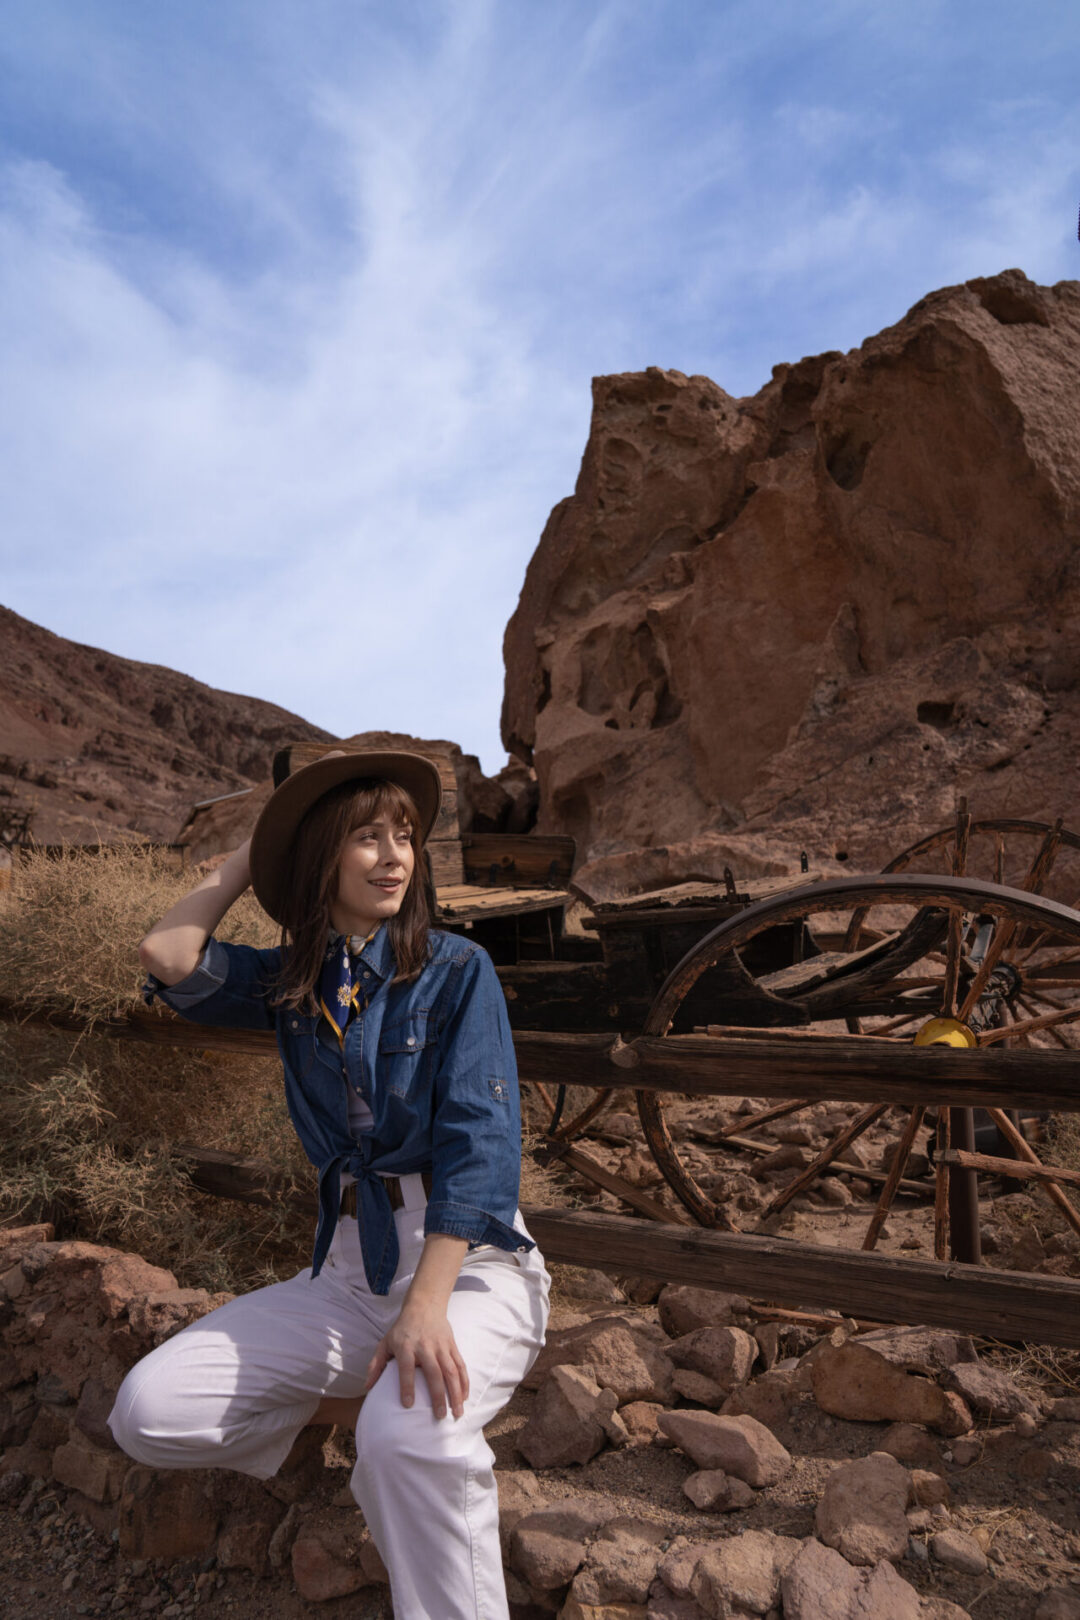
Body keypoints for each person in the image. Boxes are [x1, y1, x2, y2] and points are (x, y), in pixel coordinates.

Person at [108, 749, 550, 1620]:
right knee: (147, 1411)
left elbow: (482, 1149)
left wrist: (426, 1306)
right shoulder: (291, 982)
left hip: (469, 1268)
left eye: (405, 837)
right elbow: (168, 953)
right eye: (366, 837)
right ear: (321, 859)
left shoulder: (458, 971)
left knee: (404, 1439)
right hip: (350, 1275)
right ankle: (368, 1399)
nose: (394, 856)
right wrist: (246, 863)